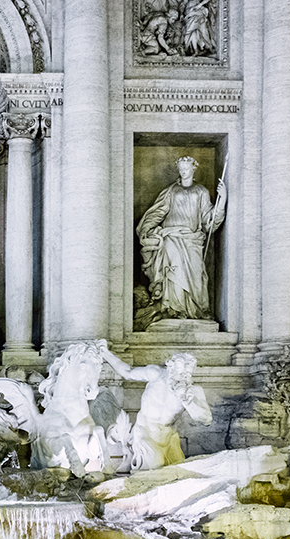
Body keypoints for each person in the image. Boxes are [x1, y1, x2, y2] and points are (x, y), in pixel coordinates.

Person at [136, 156, 226, 326]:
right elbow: (158, 212)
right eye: (181, 169)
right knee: (173, 271)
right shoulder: (171, 191)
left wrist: (223, 200)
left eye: (187, 168)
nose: (183, 172)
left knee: (196, 275)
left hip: (192, 240)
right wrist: (146, 228)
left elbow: (210, 221)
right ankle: (173, 309)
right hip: (171, 237)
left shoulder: (201, 192)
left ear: (194, 169)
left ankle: (194, 311)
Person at [102, 350, 212, 471]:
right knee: (157, 467)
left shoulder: (192, 391)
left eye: (186, 375)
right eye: (179, 374)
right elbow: (127, 372)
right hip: (145, 434)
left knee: (176, 472)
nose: (182, 379)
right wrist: (106, 353)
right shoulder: (155, 374)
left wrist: (188, 402)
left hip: (169, 439)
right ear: (170, 368)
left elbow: (206, 419)